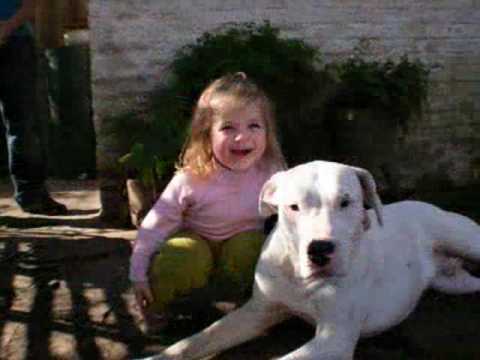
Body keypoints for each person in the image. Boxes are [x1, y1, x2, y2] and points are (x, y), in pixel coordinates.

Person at [129, 72, 286, 331]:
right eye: (228, 127)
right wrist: (137, 274)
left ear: (268, 132)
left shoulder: (273, 172)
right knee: (181, 255)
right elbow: (154, 226)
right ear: (206, 134)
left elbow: (296, 214)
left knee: (255, 248)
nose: (241, 137)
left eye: (254, 126)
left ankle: (250, 308)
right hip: (197, 244)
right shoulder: (192, 178)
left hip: (240, 254)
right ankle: (157, 307)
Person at [0, 0, 67, 215]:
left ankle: (31, 195)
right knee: (24, 124)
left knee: (25, 123)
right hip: (14, 40)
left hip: (16, 44)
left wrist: (6, 28)